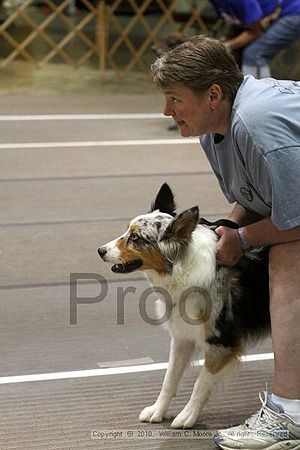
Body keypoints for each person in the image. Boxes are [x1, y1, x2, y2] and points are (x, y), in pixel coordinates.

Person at [151, 35, 300, 450]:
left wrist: (243, 238)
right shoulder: (216, 129)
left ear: (213, 94)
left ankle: (290, 413)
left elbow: (296, 219)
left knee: (286, 256)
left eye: (174, 99)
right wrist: (228, 226)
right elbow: (258, 195)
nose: (166, 111)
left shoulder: (256, 122)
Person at [210, 0, 300, 78]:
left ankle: (262, 94)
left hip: (293, 12)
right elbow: (237, 21)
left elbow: (255, 32)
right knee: (242, 51)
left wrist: (227, 45)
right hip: (272, 15)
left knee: (254, 53)